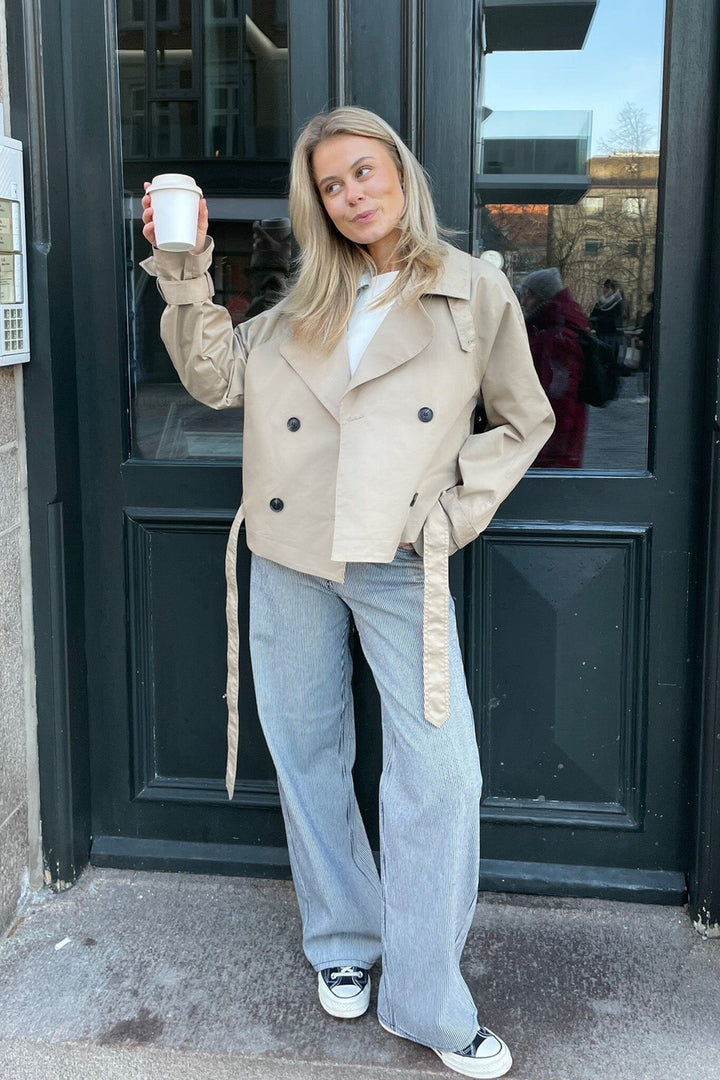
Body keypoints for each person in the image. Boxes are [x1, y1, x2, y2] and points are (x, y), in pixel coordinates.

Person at [140, 106, 554, 1079]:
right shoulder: (304, 307)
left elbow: (523, 419)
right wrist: (186, 267)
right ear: (317, 205)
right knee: (309, 753)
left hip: (400, 555)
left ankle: (426, 999)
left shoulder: (473, 288)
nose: (351, 194)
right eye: (331, 185)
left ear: (400, 172)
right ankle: (343, 940)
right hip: (291, 550)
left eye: (364, 171)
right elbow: (213, 379)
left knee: (440, 778)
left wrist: (452, 514)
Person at [520, 268, 589, 469]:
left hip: (554, 447)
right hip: (553, 439)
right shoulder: (551, 327)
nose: (523, 302)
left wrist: (553, 449)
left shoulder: (557, 336)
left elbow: (560, 396)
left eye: (526, 295)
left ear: (539, 297)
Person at [590, 278, 625, 366]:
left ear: (614, 290)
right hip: (600, 334)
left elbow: (614, 319)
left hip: (612, 336)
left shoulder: (618, 302)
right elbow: (593, 316)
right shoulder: (600, 302)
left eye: (608, 288)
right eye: (604, 287)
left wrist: (598, 319)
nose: (605, 290)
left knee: (610, 360)